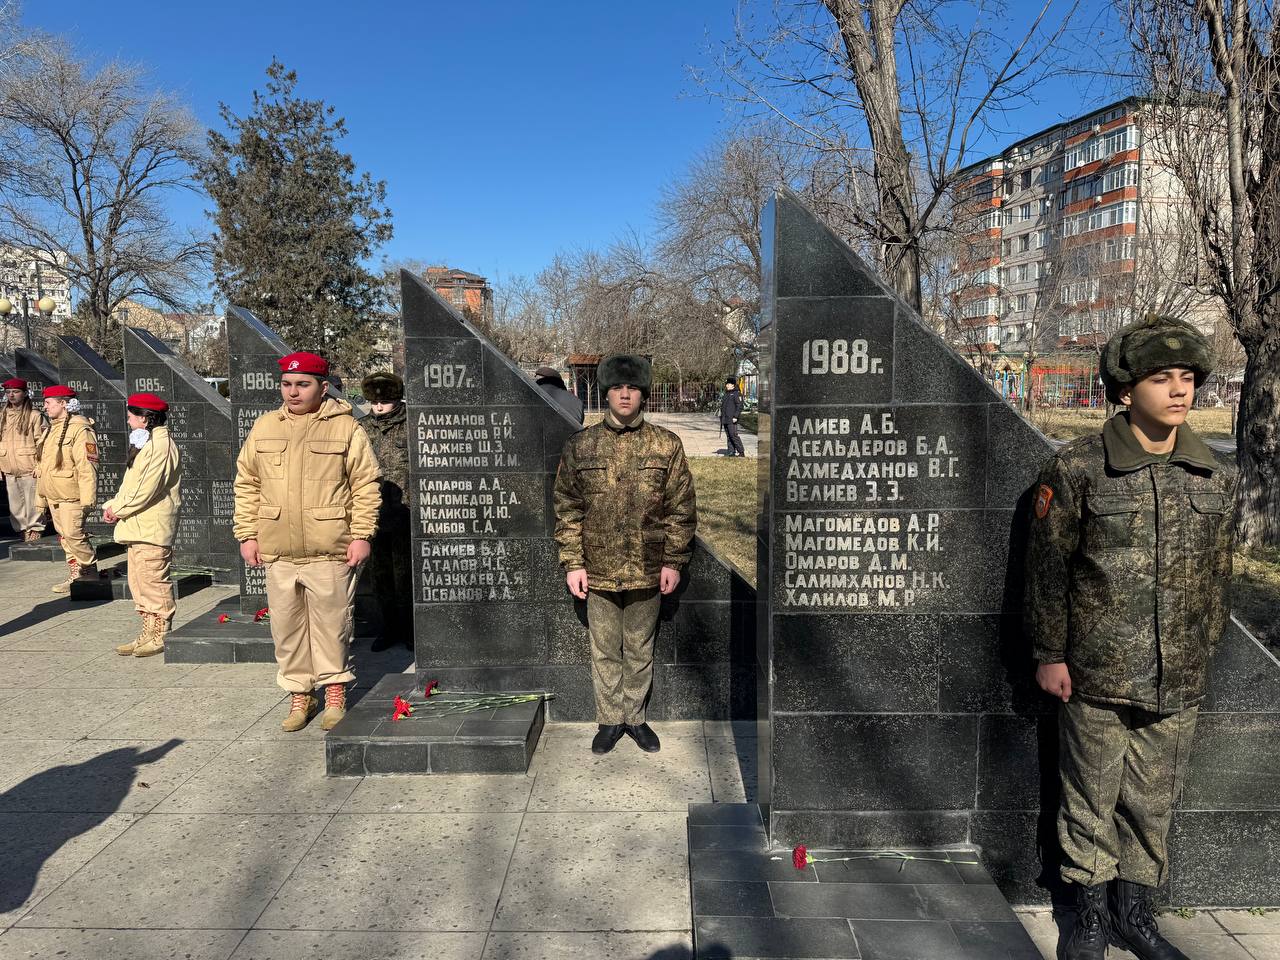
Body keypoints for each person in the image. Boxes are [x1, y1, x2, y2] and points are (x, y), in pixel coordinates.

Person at [1025, 315, 1235, 960]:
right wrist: (1050, 654)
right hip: (1096, 671)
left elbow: (1218, 578)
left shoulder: (1213, 475)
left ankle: (1133, 916)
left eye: (1188, 379)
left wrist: (1203, 650)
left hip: (1178, 676)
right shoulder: (1081, 466)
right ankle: (1087, 919)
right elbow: (1047, 568)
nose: (1179, 391)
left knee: (1153, 802)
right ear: (1125, 389)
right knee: (1089, 798)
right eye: (1161, 378)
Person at [553, 354, 696, 755]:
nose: (625, 394)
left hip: (647, 567)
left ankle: (635, 718)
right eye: (618, 387)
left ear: (643, 394)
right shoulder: (581, 445)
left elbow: (681, 508)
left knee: (639, 647)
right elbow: (567, 508)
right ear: (607, 392)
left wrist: (673, 561)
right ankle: (610, 720)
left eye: (632, 388)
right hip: (596, 568)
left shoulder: (666, 445)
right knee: (603, 648)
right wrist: (573, 562)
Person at [233, 352, 381, 732]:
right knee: (286, 628)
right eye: (287, 384)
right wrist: (247, 534)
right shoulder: (265, 427)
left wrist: (362, 534)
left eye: (303, 384)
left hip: (329, 546)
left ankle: (334, 690)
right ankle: (301, 693)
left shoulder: (346, 428)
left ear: (323, 387)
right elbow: (247, 483)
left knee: (333, 626)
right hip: (279, 548)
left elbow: (365, 485)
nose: (293, 392)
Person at [103, 393, 182, 657]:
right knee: (140, 583)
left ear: (146, 418)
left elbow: (146, 489)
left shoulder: (160, 446)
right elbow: (131, 485)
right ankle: (147, 632)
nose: (127, 419)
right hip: (138, 525)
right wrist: (113, 504)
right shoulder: (147, 442)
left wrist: (118, 509)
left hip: (151, 526)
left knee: (153, 582)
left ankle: (161, 634)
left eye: (131, 415)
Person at [359, 371, 412, 651]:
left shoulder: (410, 425)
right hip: (374, 513)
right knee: (380, 577)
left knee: (406, 575)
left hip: (405, 511)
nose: (378, 407)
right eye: (374, 402)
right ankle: (389, 628)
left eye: (385, 402)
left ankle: (409, 630)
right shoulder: (362, 427)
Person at [34, 385, 98, 594]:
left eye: (48, 402)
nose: (45, 406)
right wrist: (41, 496)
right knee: (65, 536)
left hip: (72, 494)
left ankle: (89, 570)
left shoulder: (80, 429)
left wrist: (88, 499)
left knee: (74, 534)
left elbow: (87, 466)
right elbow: (45, 464)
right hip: (54, 493)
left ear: (63, 403)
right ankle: (76, 573)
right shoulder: (52, 428)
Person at [0, 378, 47, 542]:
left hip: (29, 465)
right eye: (8, 392)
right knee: (15, 504)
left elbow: (42, 442)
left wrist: (40, 464)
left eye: (15, 391)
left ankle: (35, 528)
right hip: (8, 465)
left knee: (33, 502)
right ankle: (22, 529)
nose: (11, 395)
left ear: (25, 393)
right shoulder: (2, 416)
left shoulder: (34, 415)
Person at [719, 377, 745, 457]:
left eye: (728, 384)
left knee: (733, 435)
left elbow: (739, 406)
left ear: (733, 385)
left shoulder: (736, 393)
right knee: (729, 436)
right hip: (725, 418)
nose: (727, 385)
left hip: (732, 418)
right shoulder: (726, 394)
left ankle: (741, 452)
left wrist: (735, 416)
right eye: (727, 384)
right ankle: (731, 451)